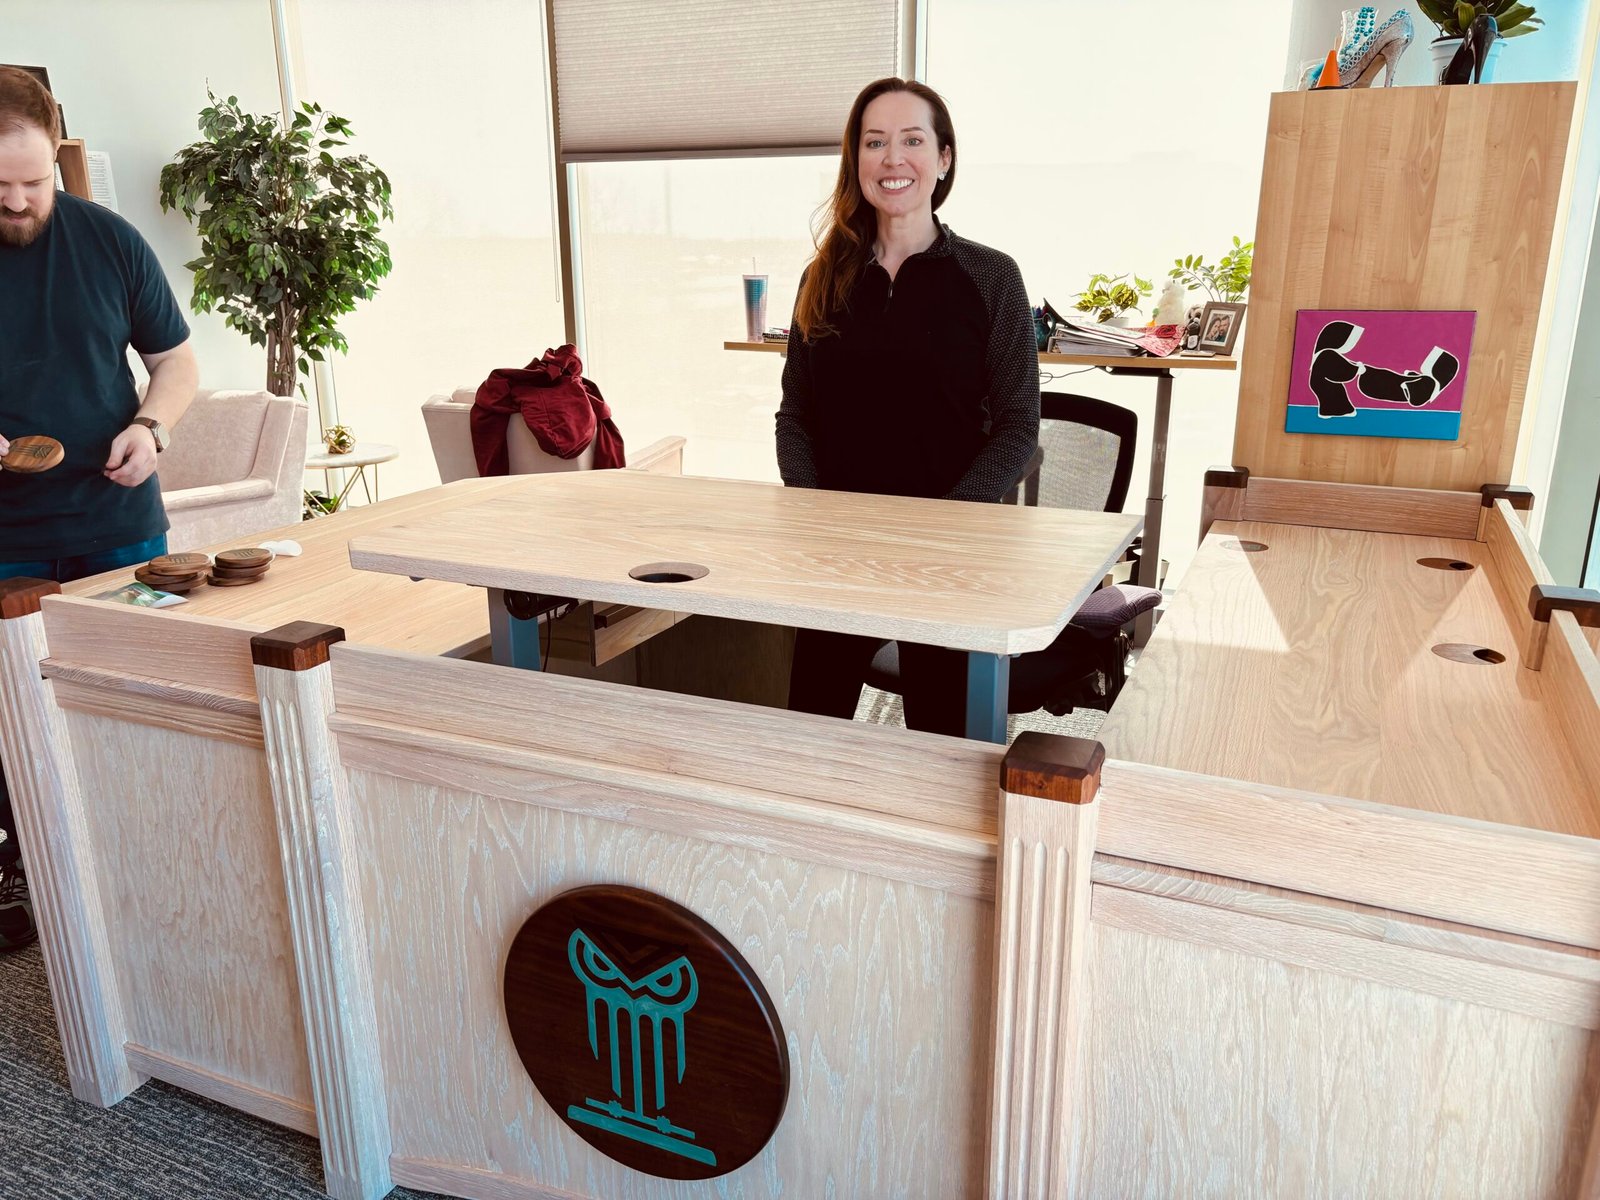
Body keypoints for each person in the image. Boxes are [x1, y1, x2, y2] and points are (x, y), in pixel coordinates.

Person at [0, 67, 199, 951]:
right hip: (8, 541)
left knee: (142, 705)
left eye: (34, 182)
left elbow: (178, 364)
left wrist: (153, 428)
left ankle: (149, 869)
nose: (17, 202)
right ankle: (25, 875)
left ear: (57, 155)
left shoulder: (111, 241)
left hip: (123, 524)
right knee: (16, 720)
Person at [775, 77, 1039, 737]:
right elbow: (795, 418)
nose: (893, 159)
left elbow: (1017, 430)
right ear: (856, 160)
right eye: (875, 142)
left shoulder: (991, 277)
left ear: (944, 158)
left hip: (948, 558)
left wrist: (937, 530)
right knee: (810, 737)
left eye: (912, 140)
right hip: (837, 556)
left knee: (947, 752)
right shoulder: (824, 277)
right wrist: (821, 518)